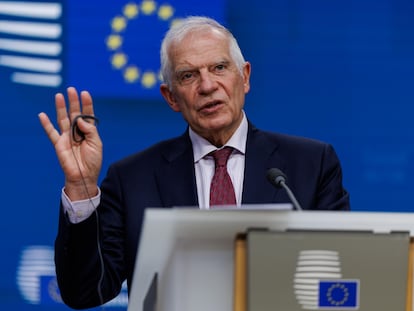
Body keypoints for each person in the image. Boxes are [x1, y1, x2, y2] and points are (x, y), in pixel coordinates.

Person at [38, 16, 350, 309]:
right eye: (188, 76)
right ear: (170, 97)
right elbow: (84, 292)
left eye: (219, 67)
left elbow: (338, 278)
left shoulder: (311, 164)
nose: (207, 86)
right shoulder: (132, 179)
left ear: (244, 78)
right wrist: (80, 188)